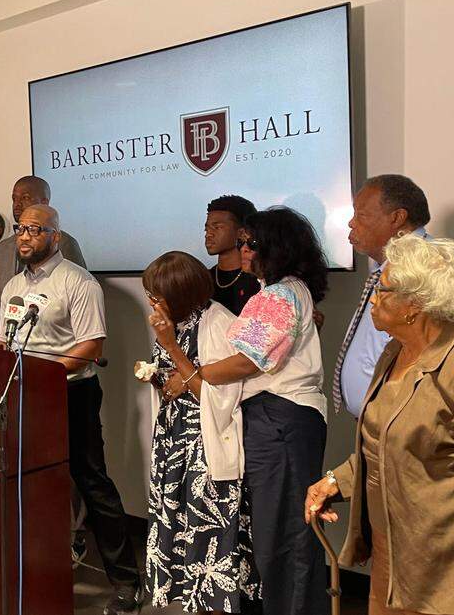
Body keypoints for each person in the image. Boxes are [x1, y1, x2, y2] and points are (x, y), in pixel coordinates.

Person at [306, 234, 454, 615]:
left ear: (416, 305)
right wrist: (336, 481)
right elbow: (386, 443)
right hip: (391, 557)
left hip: (447, 572)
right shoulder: (396, 353)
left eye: (384, 289)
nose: (374, 298)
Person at [156, 206, 330, 615]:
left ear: (276, 248)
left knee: (283, 537)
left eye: (250, 243)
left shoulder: (277, 295)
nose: (243, 251)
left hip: (281, 420)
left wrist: (187, 368)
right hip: (282, 421)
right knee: (278, 535)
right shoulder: (282, 291)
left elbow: (244, 362)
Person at [0, 204, 142, 614]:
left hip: (70, 395)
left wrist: (41, 372)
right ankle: (39, 571)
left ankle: (126, 582)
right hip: (23, 396)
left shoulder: (78, 283)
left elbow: (90, 347)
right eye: (20, 229)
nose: (24, 236)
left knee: (92, 482)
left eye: (34, 229)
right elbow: (6, 345)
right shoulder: (12, 288)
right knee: (34, 486)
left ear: (55, 236)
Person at [332, 174, 454, 417]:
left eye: (361, 215)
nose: (351, 223)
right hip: (386, 428)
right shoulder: (384, 267)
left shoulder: (435, 264)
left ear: (397, 218)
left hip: (420, 434)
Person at [141, 252, 256, 613]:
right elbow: (175, 378)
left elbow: (217, 396)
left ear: (180, 294)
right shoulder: (175, 321)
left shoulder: (218, 323)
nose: (151, 303)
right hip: (174, 439)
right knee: (175, 523)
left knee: (205, 529)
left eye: (157, 297)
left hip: (203, 443)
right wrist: (160, 379)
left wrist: (172, 347)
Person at [0, 176, 87, 341]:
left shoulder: (64, 242)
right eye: (14, 198)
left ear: (45, 202)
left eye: (25, 198)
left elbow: (76, 301)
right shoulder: (2, 249)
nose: (17, 204)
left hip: (52, 346)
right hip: (9, 346)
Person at [204, 195, 260, 315]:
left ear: (242, 233)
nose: (208, 234)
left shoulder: (259, 282)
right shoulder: (203, 281)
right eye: (207, 229)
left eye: (217, 227)